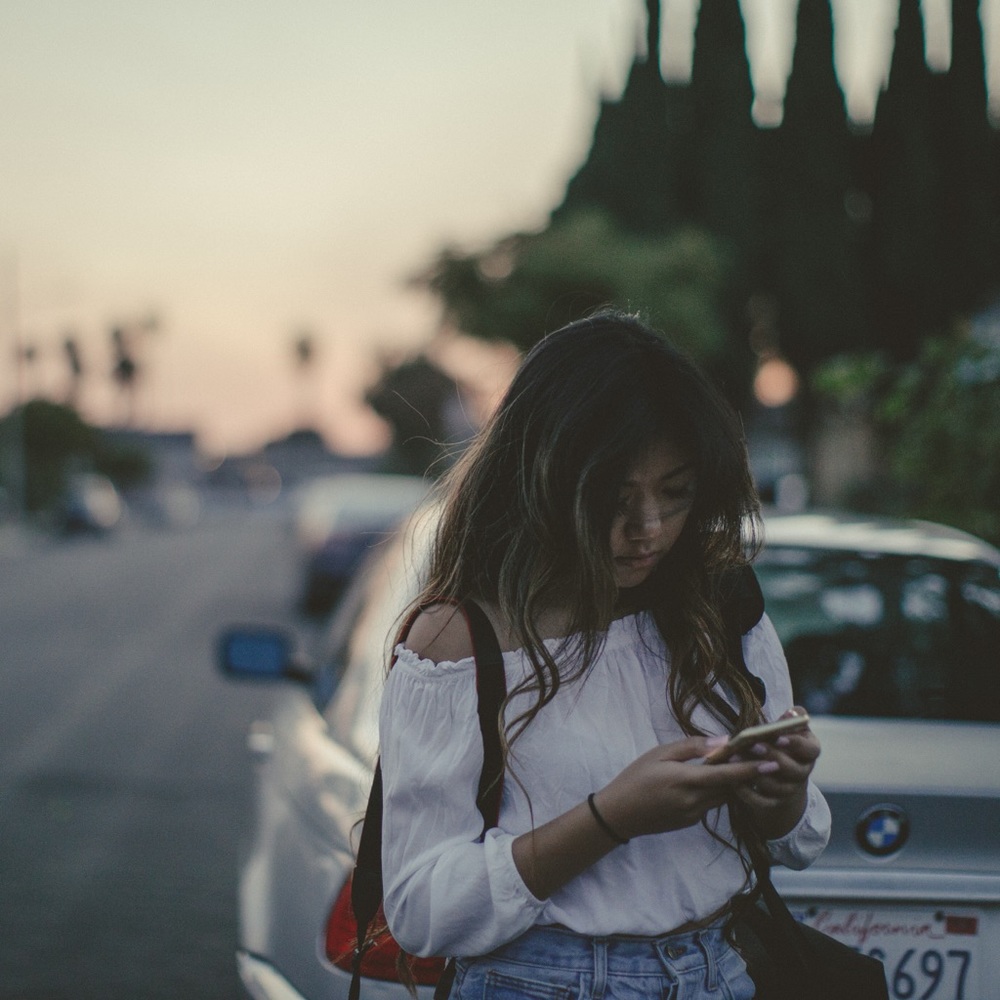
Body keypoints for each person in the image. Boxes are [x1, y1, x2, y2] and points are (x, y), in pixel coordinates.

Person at [377, 311, 831, 1000]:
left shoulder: (720, 603)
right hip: (538, 982)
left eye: (675, 495)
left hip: (719, 972)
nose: (647, 529)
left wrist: (784, 793)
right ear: (541, 479)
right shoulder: (463, 642)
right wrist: (611, 817)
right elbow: (420, 909)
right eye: (614, 499)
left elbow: (797, 840)